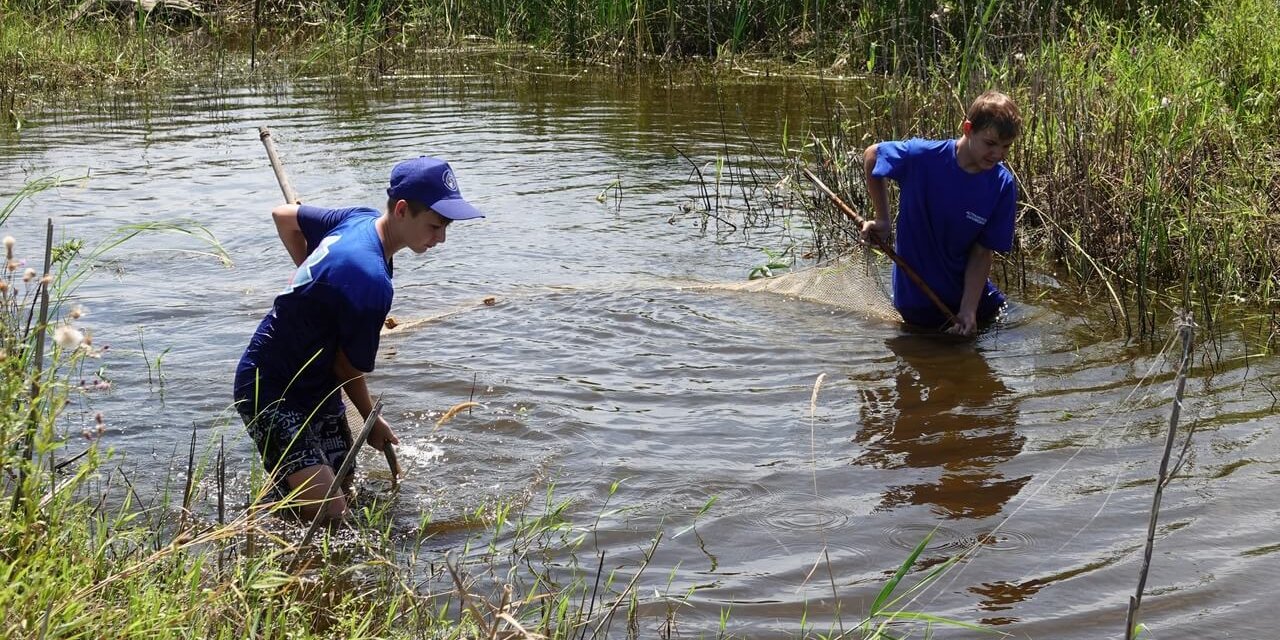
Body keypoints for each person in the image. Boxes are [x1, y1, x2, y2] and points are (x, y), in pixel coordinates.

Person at [234, 156, 484, 522]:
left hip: (318, 387)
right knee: (333, 516)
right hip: (269, 389)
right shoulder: (369, 279)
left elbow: (284, 216)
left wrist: (314, 278)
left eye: (445, 227)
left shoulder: (358, 219)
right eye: (434, 226)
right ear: (402, 210)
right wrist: (372, 421)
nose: (441, 239)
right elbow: (346, 364)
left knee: (344, 484)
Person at [861, 90, 1022, 336]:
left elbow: (982, 252)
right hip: (918, 302)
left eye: (1006, 147)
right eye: (990, 144)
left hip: (973, 300)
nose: (998, 154)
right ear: (968, 129)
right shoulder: (922, 158)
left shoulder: (1002, 184)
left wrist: (968, 309)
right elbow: (872, 156)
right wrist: (883, 219)